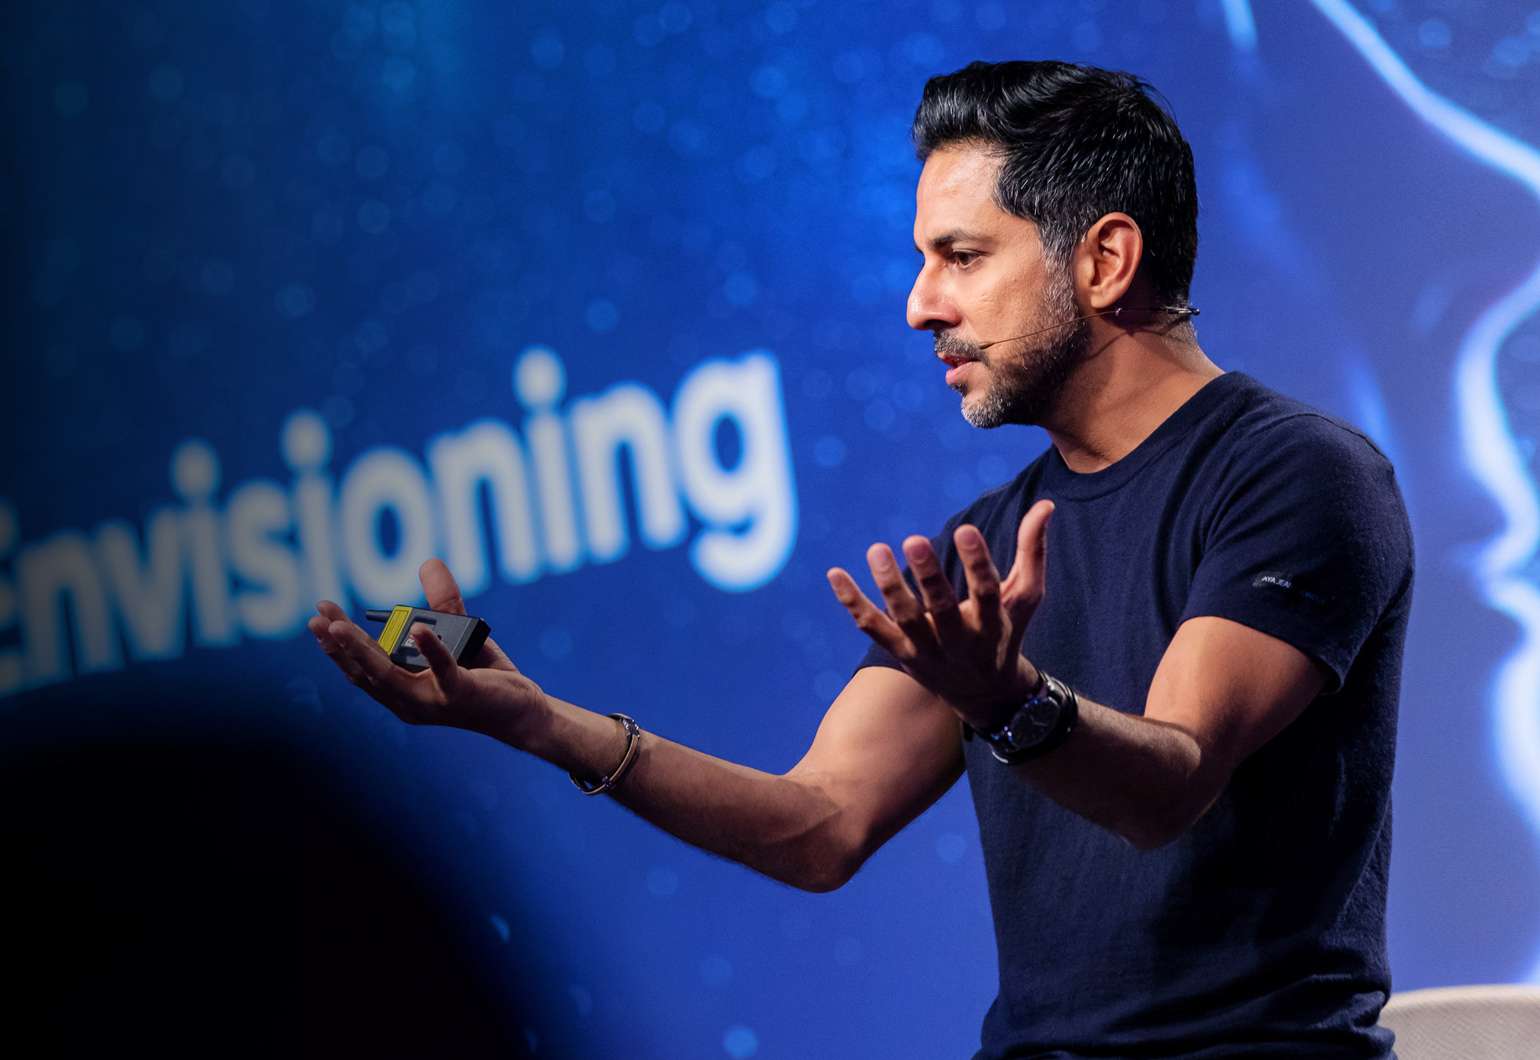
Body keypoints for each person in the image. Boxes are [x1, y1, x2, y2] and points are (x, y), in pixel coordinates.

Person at [309, 60, 1413, 1059]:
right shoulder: (987, 541)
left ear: (1104, 259)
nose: (919, 304)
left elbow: (1169, 783)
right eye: (925, 260)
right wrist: (545, 724)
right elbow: (820, 823)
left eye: (961, 257)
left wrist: (1009, 702)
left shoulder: (1298, 473)